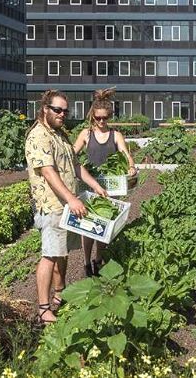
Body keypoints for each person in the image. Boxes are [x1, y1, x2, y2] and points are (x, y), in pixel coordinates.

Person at [25, 90, 108, 325]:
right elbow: (48, 172)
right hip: (52, 205)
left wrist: (95, 186)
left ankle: (60, 295)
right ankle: (43, 309)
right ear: (45, 109)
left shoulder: (60, 134)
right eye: (57, 110)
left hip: (66, 207)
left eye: (65, 111)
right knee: (50, 255)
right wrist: (71, 199)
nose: (62, 114)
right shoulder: (38, 136)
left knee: (62, 253)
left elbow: (75, 165)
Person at [73, 89, 137, 277]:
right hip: (90, 186)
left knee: (104, 225)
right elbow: (72, 153)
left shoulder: (115, 135)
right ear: (93, 116)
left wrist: (131, 166)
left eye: (105, 118)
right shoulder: (86, 134)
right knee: (87, 226)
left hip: (109, 187)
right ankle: (86, 262)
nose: (101, 121)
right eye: (98, 118)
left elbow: (125, 154)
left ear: (109, 116)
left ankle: (98, 260)